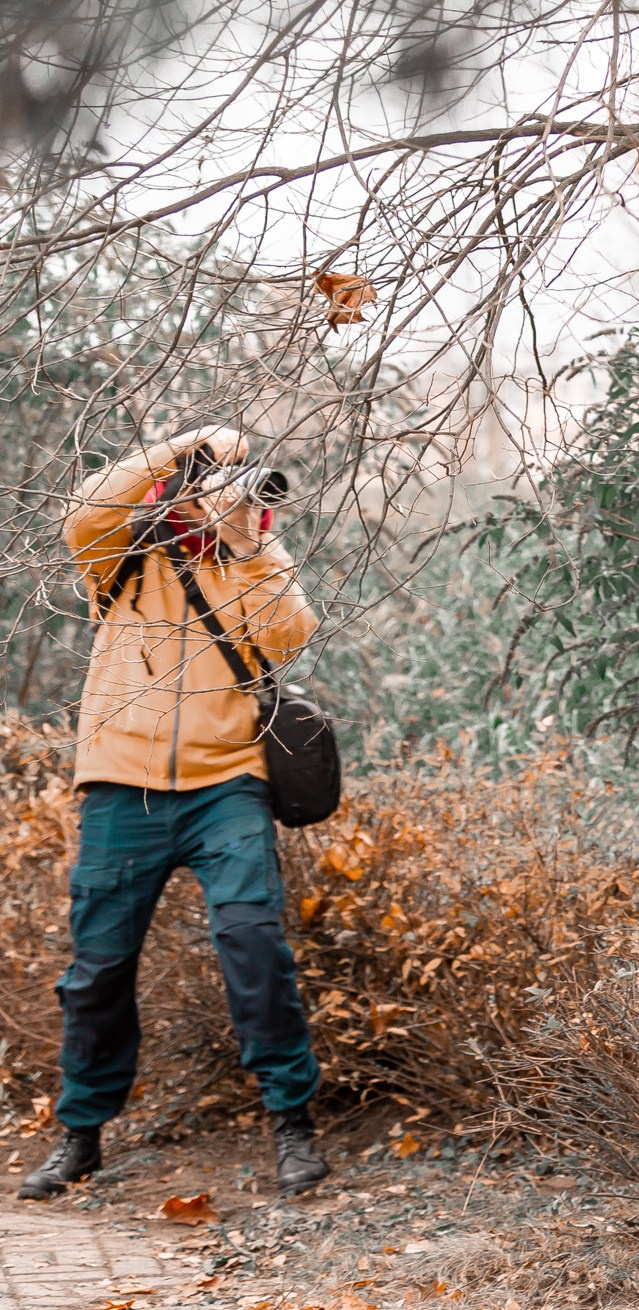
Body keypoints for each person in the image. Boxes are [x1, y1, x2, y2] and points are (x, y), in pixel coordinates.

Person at [19, 425, 328, 1201]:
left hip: (228, 784)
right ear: (181, 486)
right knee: (97, 970)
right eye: (216, 484)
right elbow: (83, 510)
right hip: (122, 786)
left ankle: (292, 1123)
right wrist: (188, 445)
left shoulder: (254, 558)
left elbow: (290, 634)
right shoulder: (122, 560)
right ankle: (80, 1135)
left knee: (254, 945)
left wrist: (248, 544)